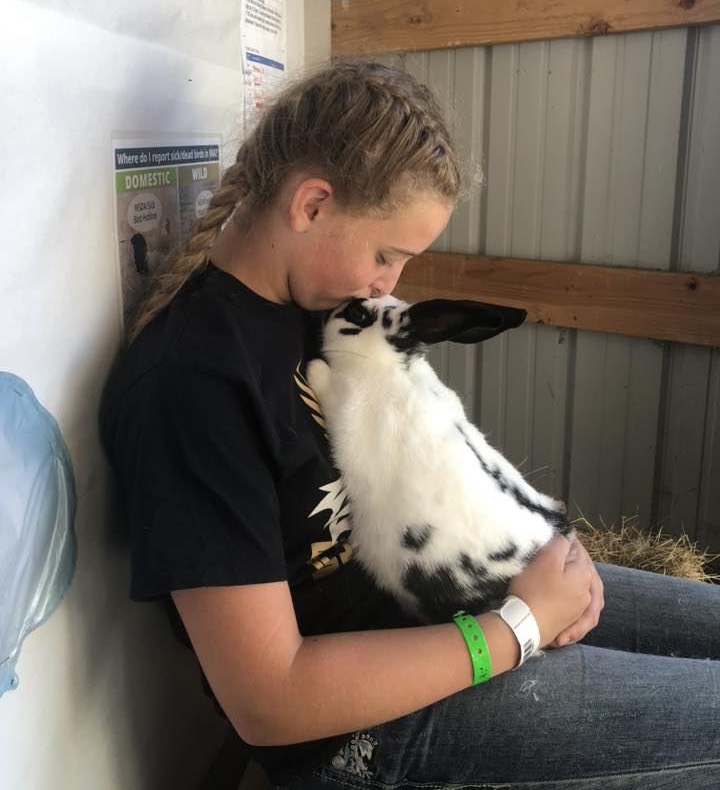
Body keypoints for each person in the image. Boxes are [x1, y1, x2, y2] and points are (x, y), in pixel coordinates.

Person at [100, 59, 720, 790]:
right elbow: (269, 699)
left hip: (453, 603)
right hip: (365, 730)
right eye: (386, 255)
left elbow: (424, 457)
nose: (387, 285)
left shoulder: (315, 310)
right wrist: (521, 627)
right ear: (312, 204)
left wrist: (538, 551)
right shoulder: (192, 385)